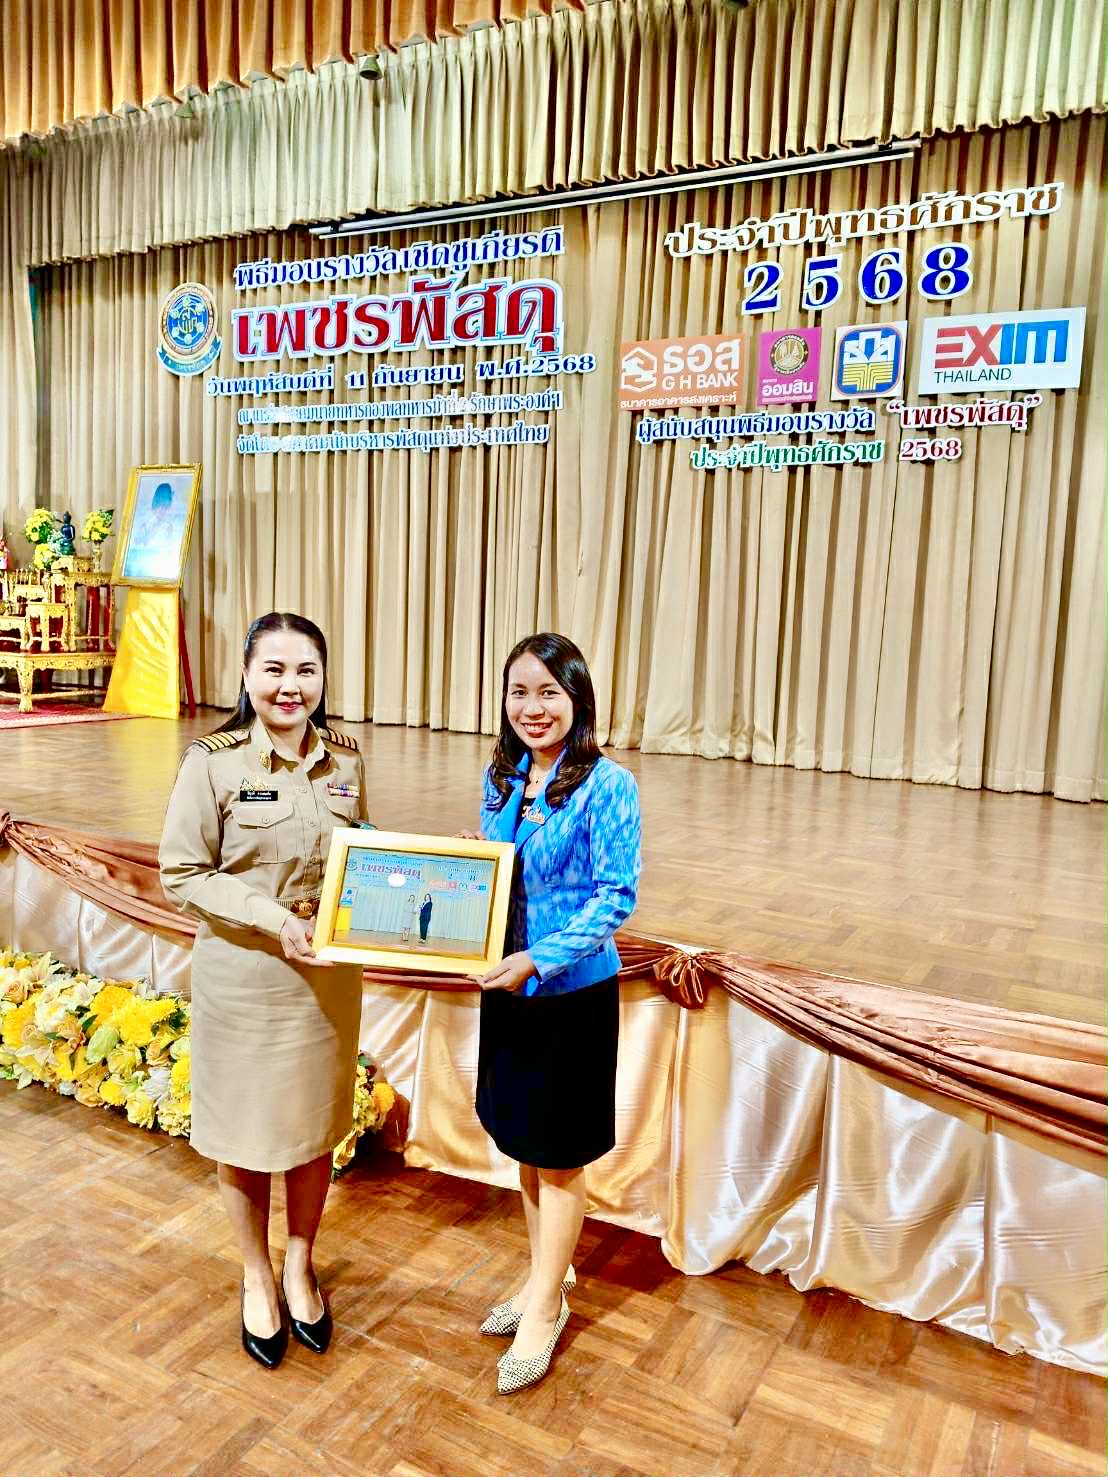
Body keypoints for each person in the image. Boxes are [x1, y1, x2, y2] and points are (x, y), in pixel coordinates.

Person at [158, 611, 369, 1370]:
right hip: (246, 976)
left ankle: (300, 1263)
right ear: (246, 676)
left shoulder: (345, 758)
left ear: (323, 677)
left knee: (313, 1128)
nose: (290, 685)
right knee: (245, 1134)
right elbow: (182, 871)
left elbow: (360, 852)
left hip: (325, 980)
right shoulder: (212, 764)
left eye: (305, 669)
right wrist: (274, 919)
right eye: (273, 669)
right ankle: (255, 1272)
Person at [473, 631, 641, 1394]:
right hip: (506, 987)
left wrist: (539, 958)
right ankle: (546, 1273)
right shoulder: (502, 775)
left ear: (577, 699)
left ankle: (546, 1303)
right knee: (523, 1138)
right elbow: (497, 867)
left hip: (568, 991)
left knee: (560, 1153)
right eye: (520, 691)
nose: (532, 707)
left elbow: (615, 897)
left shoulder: (609, 785)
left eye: (549, 691)